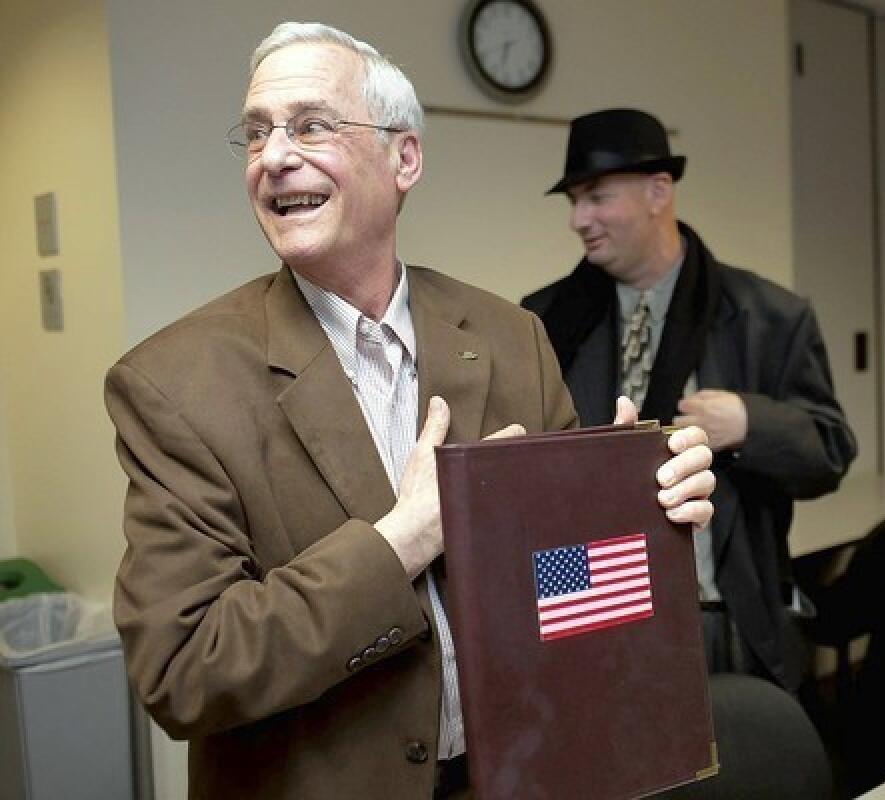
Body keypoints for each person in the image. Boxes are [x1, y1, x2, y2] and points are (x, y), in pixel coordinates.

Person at [103, 24, 715, 800]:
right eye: (256, 133)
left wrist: (626, 511)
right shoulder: (171, 385)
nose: (274, 156)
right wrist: (405, 540)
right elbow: (184, 670)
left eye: (312, 124)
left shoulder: (508, 337)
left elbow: (555, 589)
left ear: (405, 158)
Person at [522, 109, 857, 695]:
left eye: (596, 197)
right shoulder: (543, 320)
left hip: (721, 613)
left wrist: (751, 423)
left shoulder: (769, 316)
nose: (579, 219)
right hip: (591, 614)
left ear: (658, 192)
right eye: (574, 201)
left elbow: (829, 453)